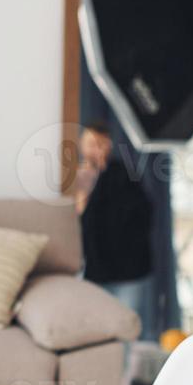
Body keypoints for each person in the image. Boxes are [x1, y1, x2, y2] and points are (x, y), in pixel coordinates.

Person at [76, 122, 155, 335]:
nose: (97, 149)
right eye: (92, 144)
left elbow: (141, 216)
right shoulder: (76, 179)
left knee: (125, 330)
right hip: (93, 271)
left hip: (129, 271)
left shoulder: (125, 175)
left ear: (109, 146)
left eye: (101, 144)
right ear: (82, 145)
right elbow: (77, 219)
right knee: (94, 330)